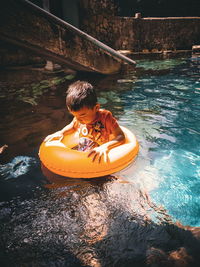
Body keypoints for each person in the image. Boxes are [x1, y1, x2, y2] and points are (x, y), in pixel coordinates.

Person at [44, 81, 125, 163]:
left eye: (82, 115)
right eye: (74, 115)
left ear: (96, 108)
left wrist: (105, 147)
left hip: (101, 153)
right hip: (84, 152)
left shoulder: (106, 118)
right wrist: (61, 133)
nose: (78, 119)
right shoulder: (78, 117)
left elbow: (121, 136)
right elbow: (72, 126)